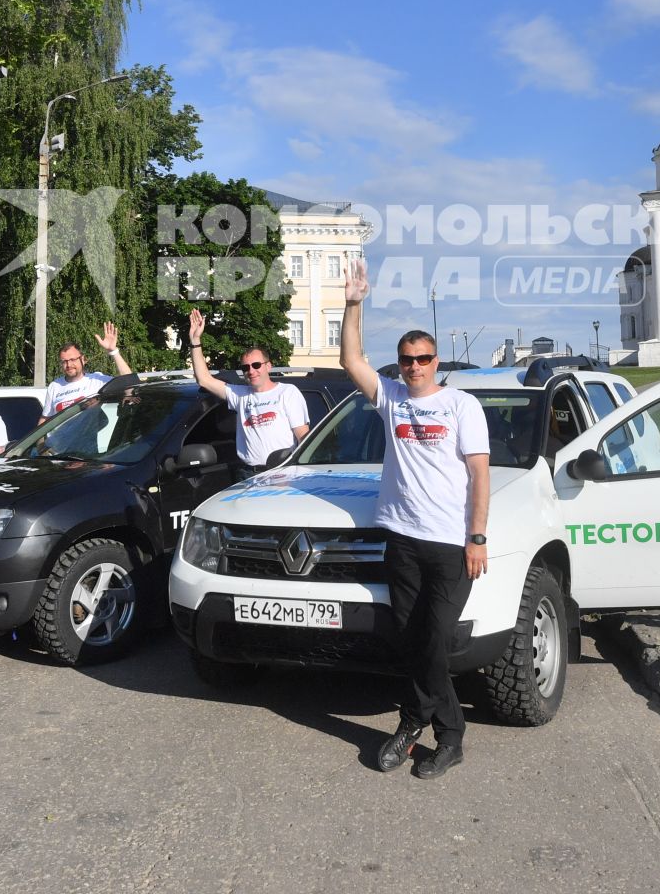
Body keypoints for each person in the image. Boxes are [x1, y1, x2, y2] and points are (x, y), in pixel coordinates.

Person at [339, 260, 490, 780]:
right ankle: (418, 724)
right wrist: (354, 303)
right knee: (409, 639)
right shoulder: (393, 399)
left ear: (436, 360)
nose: (414, 367)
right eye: (406, 360)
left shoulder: (462, 405)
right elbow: (352, 358)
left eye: (423, 359)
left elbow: (479, 476)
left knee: (433, 641)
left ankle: (434, 731)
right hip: (401, 540)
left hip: (450, 546)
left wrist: (476, 538)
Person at [185, 309, 310, 473]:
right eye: (246, 367)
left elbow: (303, 436)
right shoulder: (240, 394)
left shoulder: (287, 392)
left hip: (281, 471)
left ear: (268, 366)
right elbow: (204, 380)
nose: (251, 371)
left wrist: (303, 471)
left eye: (256, 365)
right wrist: (195, 340)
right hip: (247, 473)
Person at [42, 323, 135, 417]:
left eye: (73, 360)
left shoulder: (96, 381)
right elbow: (45, 418)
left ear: (83, 359)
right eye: (64, 361)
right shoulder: (55, 386)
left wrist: (113, 351)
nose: (68, 365)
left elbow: (128, 381)